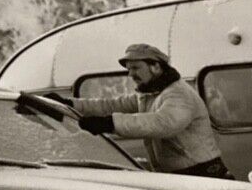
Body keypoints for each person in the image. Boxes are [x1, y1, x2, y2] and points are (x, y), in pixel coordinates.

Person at [68, 43, 232, 179]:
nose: (131, 74)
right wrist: (72, 104)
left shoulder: (178, 94)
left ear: (156, 67)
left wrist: (109, 123)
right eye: (129, 69)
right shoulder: (151, 94)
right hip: (179, 174)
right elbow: (112, 105)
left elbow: (162, 123)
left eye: (136, 68)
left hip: (202, 173)